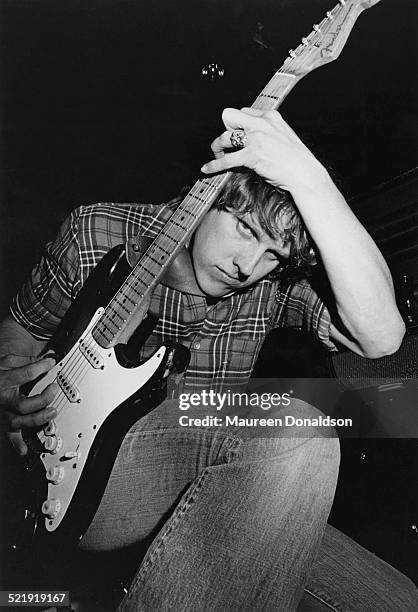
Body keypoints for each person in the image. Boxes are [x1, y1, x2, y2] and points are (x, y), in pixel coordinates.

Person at [0, 108, 416, 611]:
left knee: (394, 599)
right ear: (207, 195)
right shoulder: (97, 230)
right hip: (80, 465)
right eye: (244, 228)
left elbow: (382, 338)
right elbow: (23, 328)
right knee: (299, 428)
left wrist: (313, 181)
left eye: (274, 255)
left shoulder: (272, 289)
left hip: (212, 483)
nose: (248, 266)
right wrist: (8, 379)